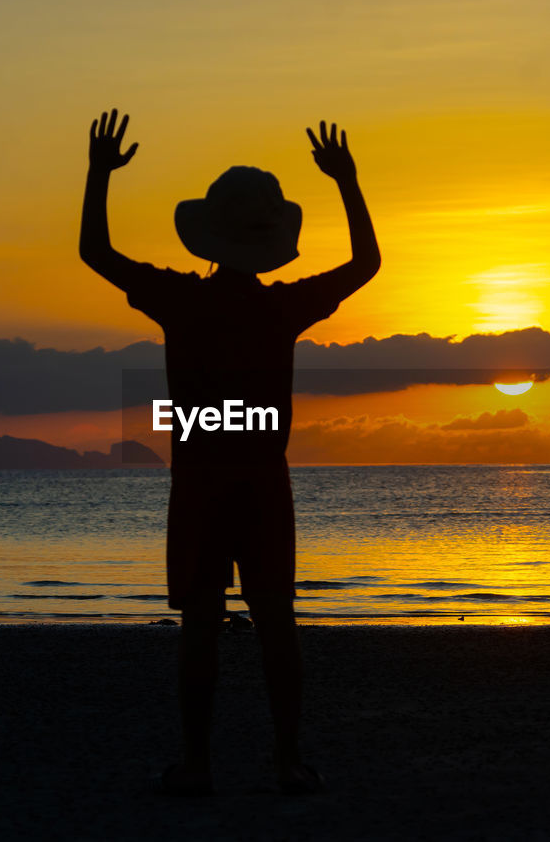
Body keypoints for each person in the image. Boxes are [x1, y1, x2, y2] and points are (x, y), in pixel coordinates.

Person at [79, 109, 380, 795]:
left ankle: (197, 764)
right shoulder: (282, 307)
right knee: (278, 623)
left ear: (208, 237)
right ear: (273, 238)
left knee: (202, 629)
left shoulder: (180, 299)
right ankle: (287, 761)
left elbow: (95, 252)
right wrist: (347, 183)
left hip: (201, 485)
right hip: (263, 485)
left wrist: (98, 176)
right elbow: (366, 263)